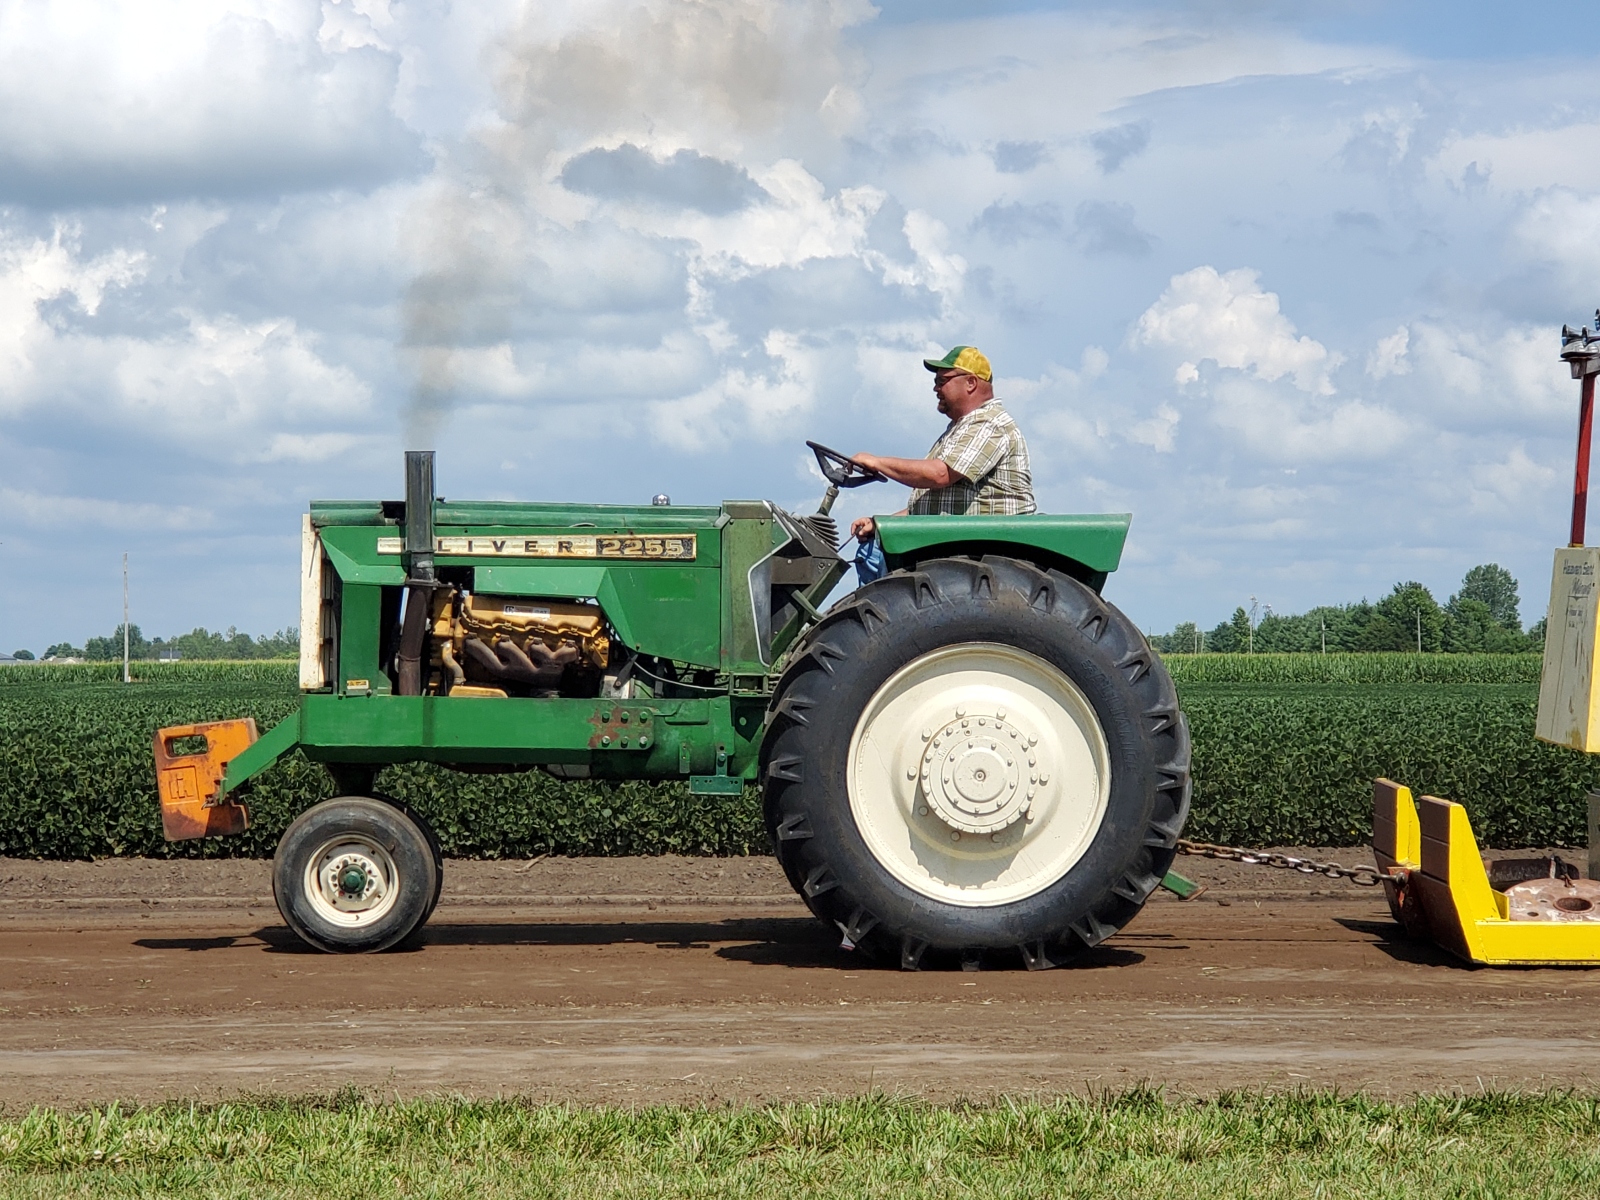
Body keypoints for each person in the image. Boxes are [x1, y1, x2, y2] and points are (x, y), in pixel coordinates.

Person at [849, 345, 1035, 583]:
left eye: (942, 381)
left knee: (879, 559)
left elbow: (940, 475)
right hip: (959, 540)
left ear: (970, 383)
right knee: (873, 551)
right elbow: (936, 505)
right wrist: (881, 524)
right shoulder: (960, 429)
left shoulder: (989, 423)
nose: (936, 388)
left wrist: (876, 462)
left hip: (981, 547)